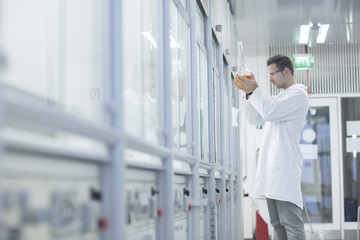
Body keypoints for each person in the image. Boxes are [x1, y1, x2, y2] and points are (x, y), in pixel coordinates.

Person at [234, 54, 309, 240]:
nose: (269, 79)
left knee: (291, 223)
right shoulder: (282, 98)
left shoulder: (298, 94)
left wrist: (256, 89)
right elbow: (255, 118)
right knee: (276, 224)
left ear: (286, 71)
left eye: (272, 74)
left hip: (284, 171)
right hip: (273, 172)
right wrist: (249, 92)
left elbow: (268, 111)